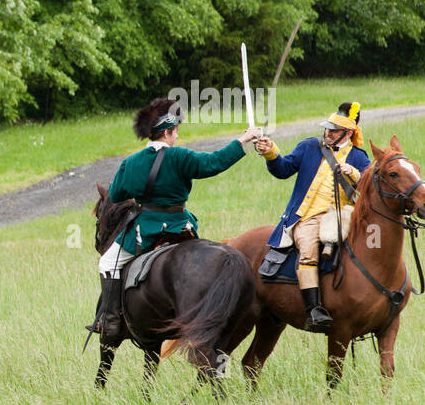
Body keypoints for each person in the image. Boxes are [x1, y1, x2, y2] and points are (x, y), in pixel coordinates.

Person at [90, 98, 260, 340]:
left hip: (145, 231)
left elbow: (116, 195)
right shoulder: (181, 157)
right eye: (175, 132)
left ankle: (110, 320)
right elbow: (214, 163)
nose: (177, 137)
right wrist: (242, 140)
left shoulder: (131, 162)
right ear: (167, 132)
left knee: (107, 264)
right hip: (182, 228)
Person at [255, 101, 370, 331]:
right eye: (327, 128)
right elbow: (283, 169)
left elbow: (369, 186)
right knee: (308, 248)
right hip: (306, 218)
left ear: (347, 133)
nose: (327, 133)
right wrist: (270, 152)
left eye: (334, 130)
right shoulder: (309, 147)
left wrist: (353, 173)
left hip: (340, 216)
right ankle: (313, 310)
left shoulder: (358, 157)